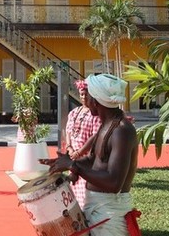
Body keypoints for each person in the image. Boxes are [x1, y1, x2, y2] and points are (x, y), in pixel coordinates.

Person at [40, 74, 139, 236]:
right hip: (98, 207)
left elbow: (114, 183)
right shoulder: (108, 124)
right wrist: (67, 163)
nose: (85, 99)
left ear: (96, 100)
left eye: (89, 94)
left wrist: (74, 166)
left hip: (109, 211)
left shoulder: (121, 130)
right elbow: (94, 160)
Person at [64, 79, 102, 207]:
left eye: (87, 94)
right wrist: (69, 148)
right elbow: (68, 131)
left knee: (85, 194)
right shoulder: (74, 112)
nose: (84, 97)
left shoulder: (96, 115)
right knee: (73, 190)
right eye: (81, 94)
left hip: (87, 160)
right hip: (73, 158)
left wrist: (80, 152)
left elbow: (95, 137)